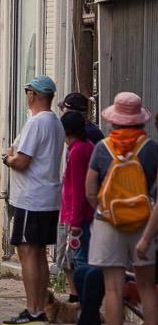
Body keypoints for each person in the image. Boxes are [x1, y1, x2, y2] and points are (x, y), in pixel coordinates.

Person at [87, 92, 158, 325]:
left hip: (109, 223)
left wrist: (107, 211)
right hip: (144, 224)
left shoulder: (102, 148)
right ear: (140, 120)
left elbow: (90, 190)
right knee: (147, 286)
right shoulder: (152, 149)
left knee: (114, 288)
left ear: (114, 120)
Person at [1, 75, 64, 325]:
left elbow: (21, 160)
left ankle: (34, 310)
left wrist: (7, 159)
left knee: (26, 251)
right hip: (48, 195)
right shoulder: (55, 123)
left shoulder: (37, 123)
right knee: (38, 252)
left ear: (32, 95)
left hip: (31, 197)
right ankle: (40, 309)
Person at [54, 111, 96, 300]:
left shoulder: (78, 150)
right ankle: (77, 297)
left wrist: (75, 220)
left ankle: (82, 300)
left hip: (75, 215)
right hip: (80, 213)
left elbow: (79, 188)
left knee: (77, 259)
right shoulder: (87, 146)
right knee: (77, 259)